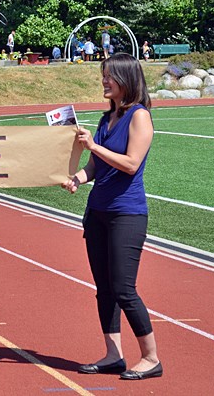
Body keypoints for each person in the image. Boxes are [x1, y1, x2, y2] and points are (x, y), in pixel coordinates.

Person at [61, 53, 162, 381]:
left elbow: (131, 163)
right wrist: (78, 178)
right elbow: (96, 166)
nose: (104, 82)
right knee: (104, 288)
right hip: (98, 212)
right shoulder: (107, 120)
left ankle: (151, 357)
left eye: (109, 77)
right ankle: (113, 355)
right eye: (103, 76)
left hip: (127, 214)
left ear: (126, 80)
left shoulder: (139, 117)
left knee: (123, 288)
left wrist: (93, 146)